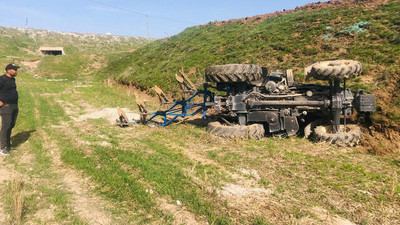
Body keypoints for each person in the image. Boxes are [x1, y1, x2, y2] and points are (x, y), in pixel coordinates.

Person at [0, 63, 20, 156]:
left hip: (14, 105)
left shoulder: (12, 79)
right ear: (8, 70)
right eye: (14, 69)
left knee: (11, 125)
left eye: (16, 69)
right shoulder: (2, 79)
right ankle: (3, 148)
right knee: (6, 126)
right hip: (6, 106)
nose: (16, 71)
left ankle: (8, 145)